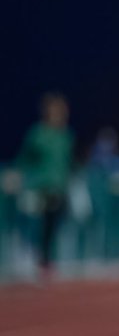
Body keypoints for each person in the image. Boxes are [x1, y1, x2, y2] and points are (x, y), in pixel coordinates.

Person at [4, 92, 75, 278]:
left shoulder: (65, 136)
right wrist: (16, 175)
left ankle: (45, 261)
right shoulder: (37, 134)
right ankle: (26, 259)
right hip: (38, 188)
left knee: (52, 226)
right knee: (33, 224)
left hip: (58, 189)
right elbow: (24, 159)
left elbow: (69, 163)